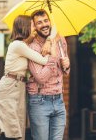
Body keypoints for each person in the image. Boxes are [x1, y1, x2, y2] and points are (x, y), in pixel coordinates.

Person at [0, 15, 58, 140]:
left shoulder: (21, 45)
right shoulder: (18, 46)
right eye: (33, 24)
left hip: (18, 87)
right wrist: (51, 48)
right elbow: (43, 60)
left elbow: (55, 29)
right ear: (25, 26)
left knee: (17, 130)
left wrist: (48, 38)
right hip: (9, 88)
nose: (35, 28)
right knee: (10, 131)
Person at [27, 9, 70, 140]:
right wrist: (52, 56)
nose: (44, 24)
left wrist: (67, 65)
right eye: (39, 22)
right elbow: (40, 78)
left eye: (46, 20)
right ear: (34, 26)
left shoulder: (60, 40)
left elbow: (65, 71)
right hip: (40, 100)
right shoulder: (32, 47)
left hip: (59, 100)